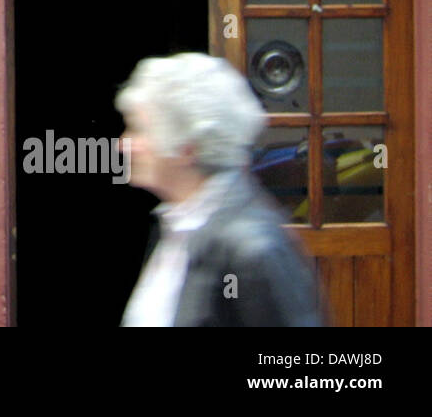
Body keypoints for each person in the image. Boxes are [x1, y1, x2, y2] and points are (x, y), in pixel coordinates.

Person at [115, 53, 321, 326]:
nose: (124, 144)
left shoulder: (250, 246)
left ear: (186, 149)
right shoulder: (177, 226)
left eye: (138, 130)